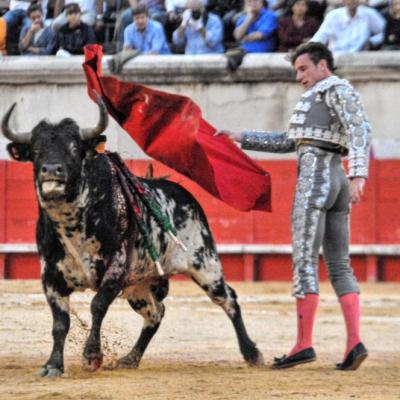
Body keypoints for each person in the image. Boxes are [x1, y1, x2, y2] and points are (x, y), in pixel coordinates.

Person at [217, 42, 370, 371]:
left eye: (303, 69)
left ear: (323, 67)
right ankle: (354, 342)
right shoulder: (321, 96)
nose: (299, 76)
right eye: (297, 71)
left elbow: (361, 130)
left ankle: (304, 344)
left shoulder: (334, 88)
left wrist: (360, 174)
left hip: (317, 178)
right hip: (336, 179)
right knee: (340, 265)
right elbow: (289, 141)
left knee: (304, 262)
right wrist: (241, 136)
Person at [311, 0, 386, 52]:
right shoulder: (333, 16)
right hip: (338, 58)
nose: (352, 1)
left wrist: (372, 42)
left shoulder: (369, 14)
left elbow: (384, 31)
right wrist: (308, 49)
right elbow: (320, 37)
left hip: (360, 59)